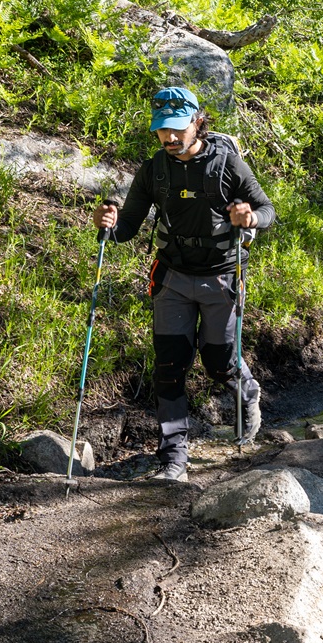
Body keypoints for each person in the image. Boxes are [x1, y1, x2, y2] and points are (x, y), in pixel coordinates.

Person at [92, 86, 275, 482]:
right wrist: (108, 224)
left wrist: (251, 218)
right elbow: (126, 229)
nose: (169, 138)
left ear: (197, 122)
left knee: (219, 363)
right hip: (172, 279)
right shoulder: (154, 169)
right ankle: (173, 461)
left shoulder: (228, 165)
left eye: (177, 128)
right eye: (162, 130)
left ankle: (247, 392)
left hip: (221, 278)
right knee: (169, 368)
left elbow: (267, 209)